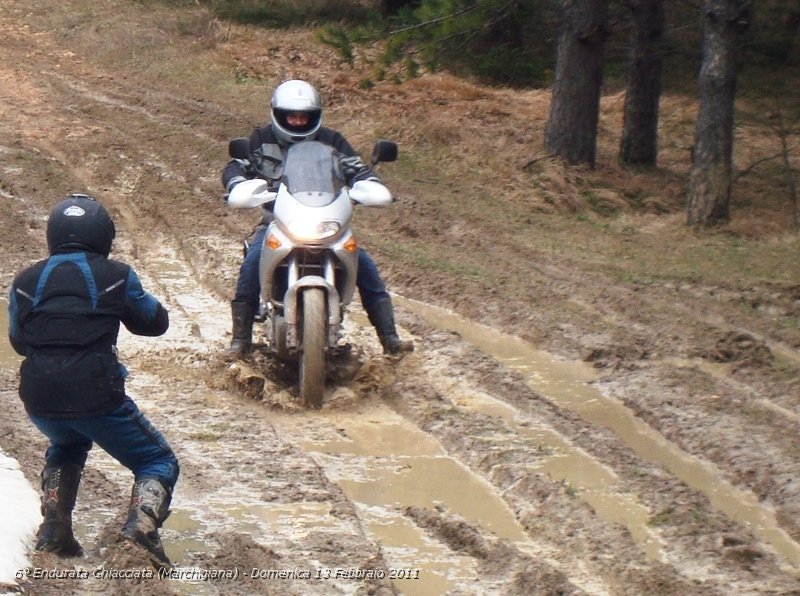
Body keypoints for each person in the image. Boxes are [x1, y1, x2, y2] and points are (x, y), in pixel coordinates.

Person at [7, 194, 178, 569]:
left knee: (66, 444)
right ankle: (141, 529)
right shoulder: (116, 275)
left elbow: (19, 341)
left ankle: (54, 530)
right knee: (157, 460)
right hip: (97, 392)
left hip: (38, 396)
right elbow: (153, 323)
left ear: (54, 233)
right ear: (104, 234)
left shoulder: (23, 281)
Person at [222, 79, 414, 359]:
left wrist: (371, 184)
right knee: (253, 262)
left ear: (315, 115)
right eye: (292, 116)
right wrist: (237, 183)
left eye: (304, 116)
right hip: (278, 222)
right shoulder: (261, 140)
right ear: (278, 114)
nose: (298, 122)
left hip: (327, 222)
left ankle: (390, 338)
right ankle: (240, 340)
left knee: (365, 265)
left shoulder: (332, 141)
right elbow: (236, 166)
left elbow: (357, 169)